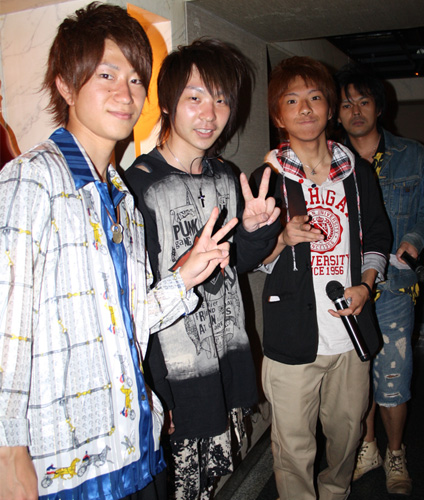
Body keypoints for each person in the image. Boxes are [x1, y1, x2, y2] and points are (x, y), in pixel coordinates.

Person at [0, 4, 239, 500]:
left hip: (131, 445)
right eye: (106, 75)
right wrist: (7, 451)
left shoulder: (120, 197)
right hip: (63, 464)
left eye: (135, 79)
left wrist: (184, 277)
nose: (125, 93)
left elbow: (128, 321)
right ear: (66, 85)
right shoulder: (31, 181)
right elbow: (7, 329)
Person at [125, 39, 280, 499]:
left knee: (209, 486)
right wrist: (155, 390)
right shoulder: (138, 188)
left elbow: (235, 266)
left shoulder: (225, 176)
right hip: (174, 375)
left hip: (225, 361)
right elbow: (133, 305)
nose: (210, 114)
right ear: (167, 103)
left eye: (222, 99)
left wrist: (253, 230)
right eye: (195, 97)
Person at [250, 56, 392, 500]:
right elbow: (250, 259)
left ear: (329, 108)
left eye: (314, 97)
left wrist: (366, 285)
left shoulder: (357, 172)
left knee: (348, 435)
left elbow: (378, 235)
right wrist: (281, 239)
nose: (305, 108)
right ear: (279, 116)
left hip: (350, 332)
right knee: (292, 447)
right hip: (293, 335)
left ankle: (334, 493)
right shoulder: (268, 180)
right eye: (292, 100)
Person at [335, 63, 424, 495]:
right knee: (356, 379)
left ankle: (395, 452)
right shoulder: (330, 160)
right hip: (346, 289)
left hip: (394, 288)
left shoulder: (413, 155)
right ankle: (368, 448)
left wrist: (414, 241)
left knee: (393, 380)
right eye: (346, 104)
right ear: (337, 112)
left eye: (363, 102)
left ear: (378, 107)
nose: (355, 111)